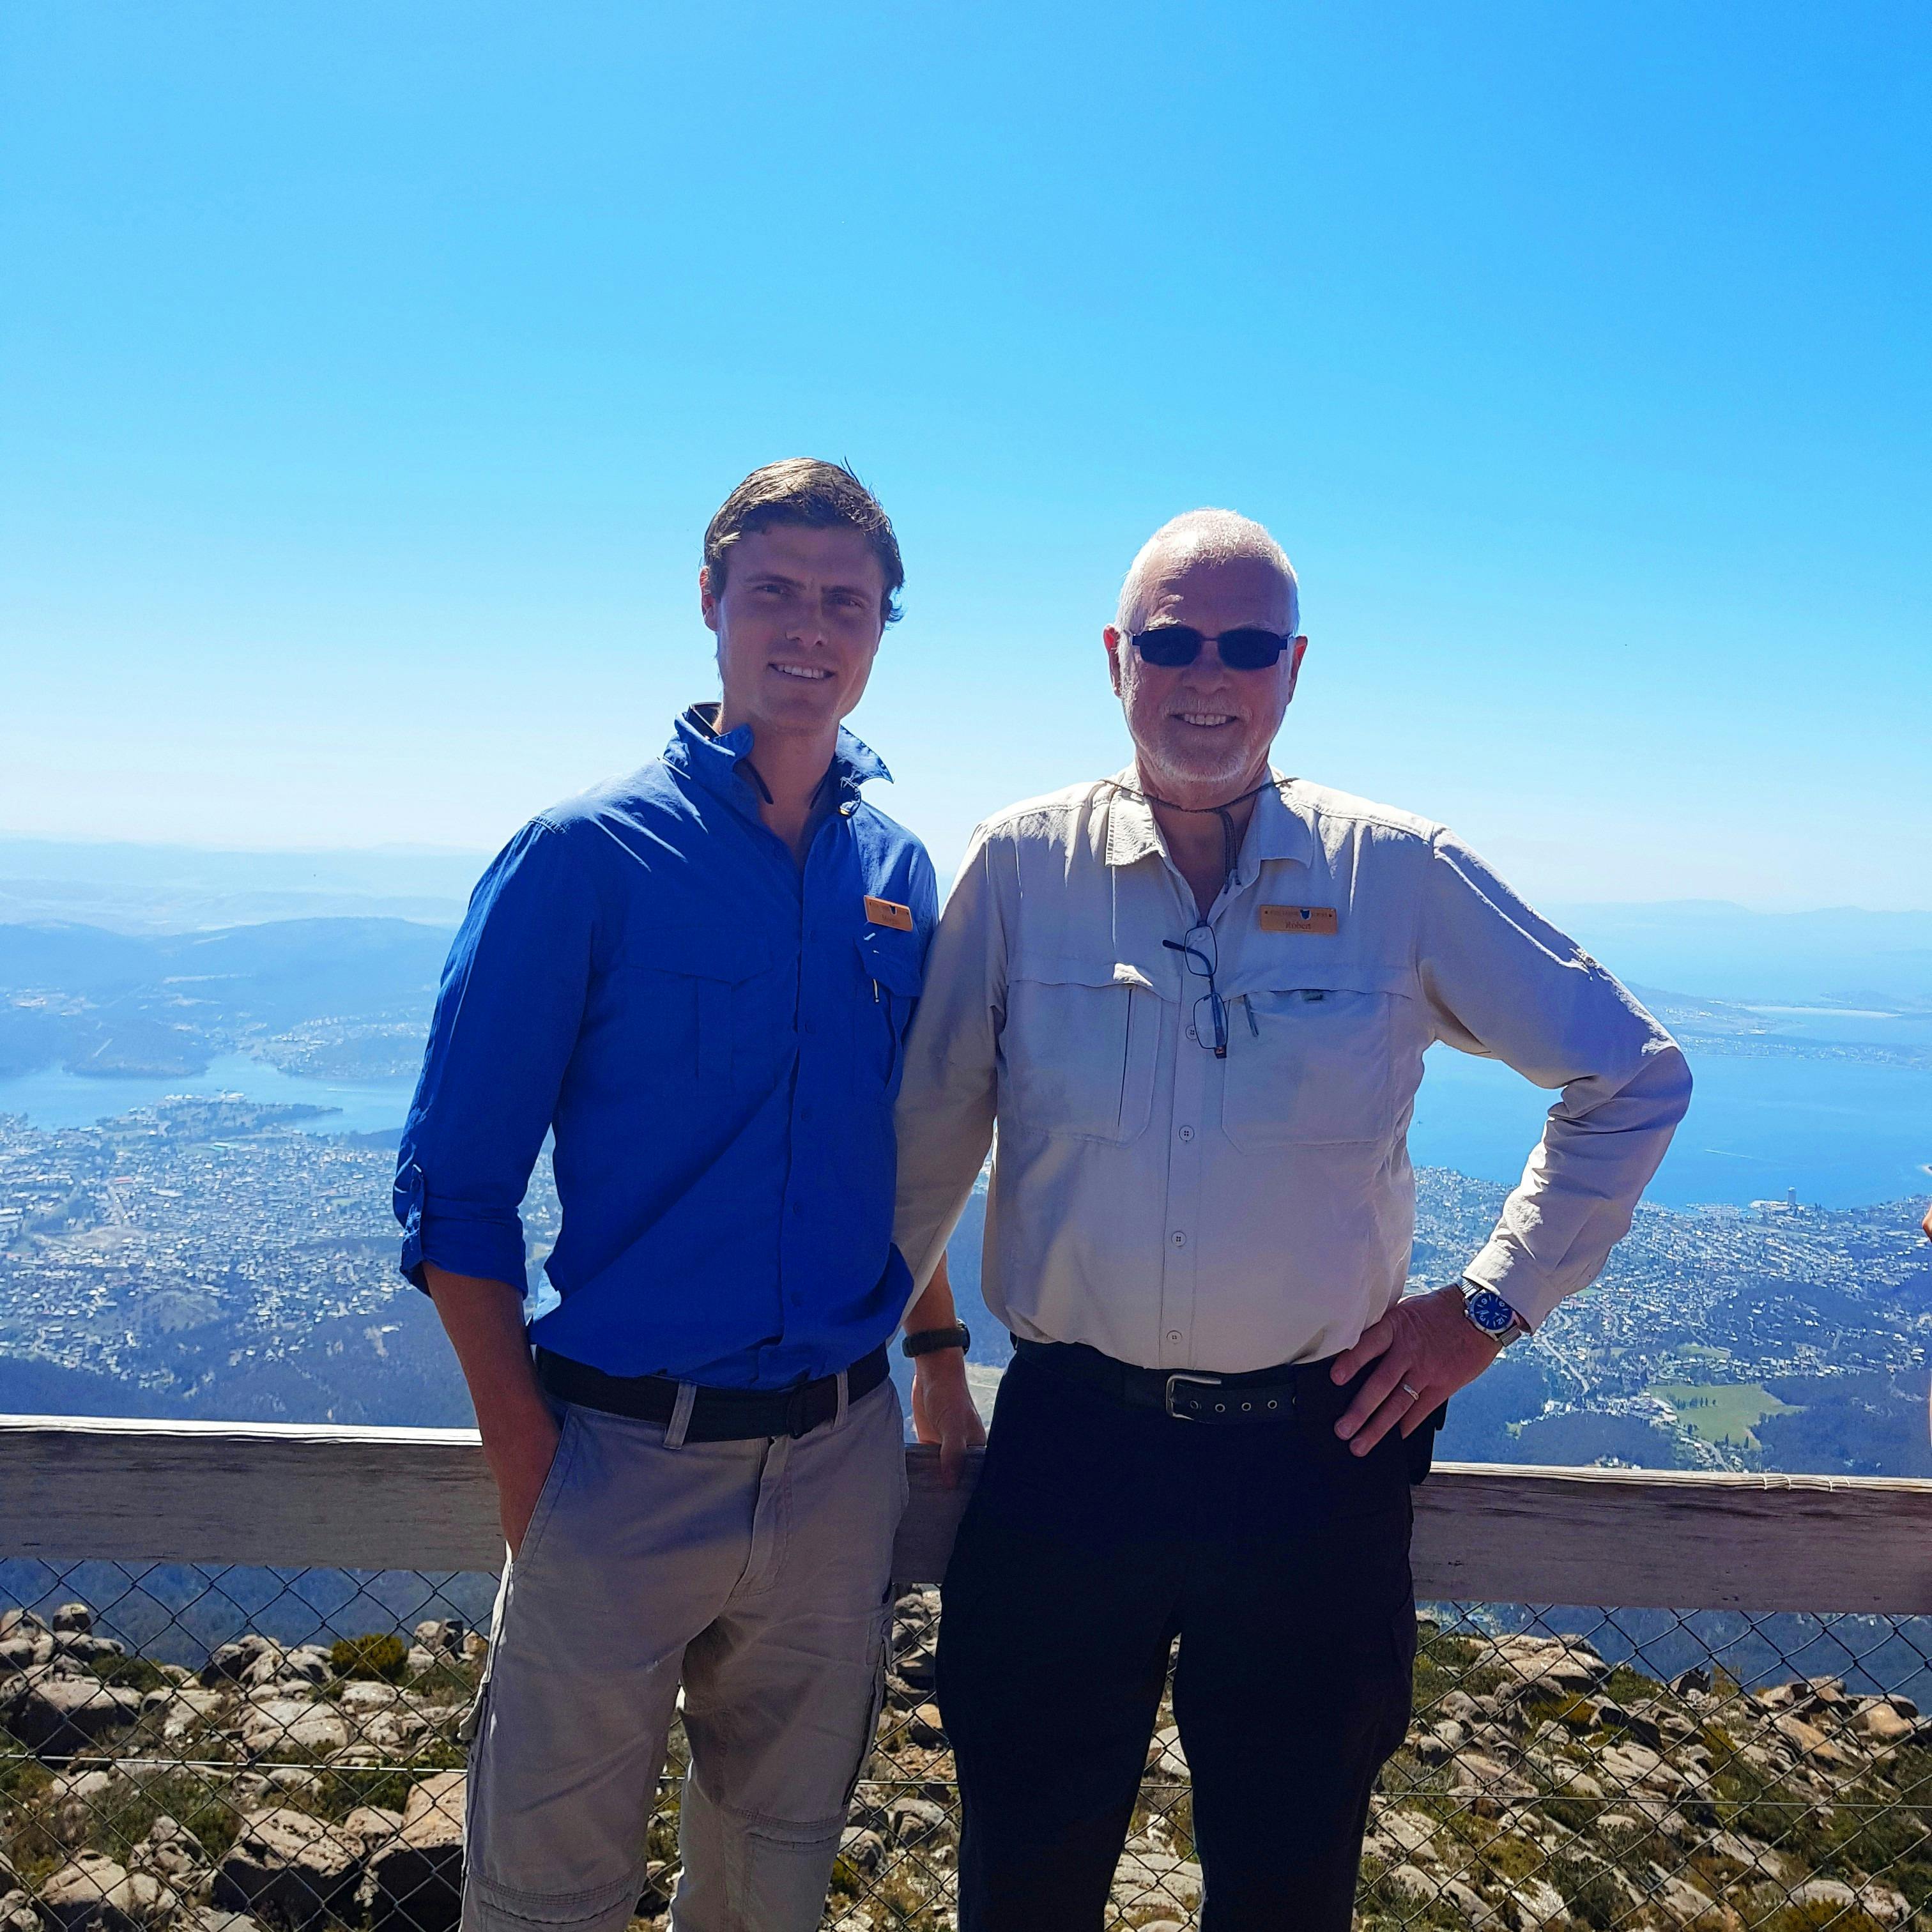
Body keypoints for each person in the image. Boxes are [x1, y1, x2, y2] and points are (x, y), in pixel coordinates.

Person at [892, 509, 1693, 1931]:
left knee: (1287, 1878)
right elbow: (923, 1140)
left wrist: (1489, 1308)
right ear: (1115, 660)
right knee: (1022, 1866)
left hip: (1314, 1458)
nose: (1210, 673)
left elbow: (1632, 1075)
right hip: (1073, 1445)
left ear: (1295, 668)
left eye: (1247, 645)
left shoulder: (1396, 873)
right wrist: (936, 1352)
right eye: (1173, 640)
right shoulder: (1021, 870)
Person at [395, 459, 982, 1932]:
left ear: (882, 628)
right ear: (711, 603)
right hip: (616, 1454)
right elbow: (454, 1192)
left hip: (840, 1466)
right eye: (773, 589)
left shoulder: (897, 870)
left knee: (771, 1887)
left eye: (844, 600)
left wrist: (935, 1354)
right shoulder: (584, 857)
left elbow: (896, 1148)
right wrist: (529, 1461)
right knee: (543, 1897)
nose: (808, 625)